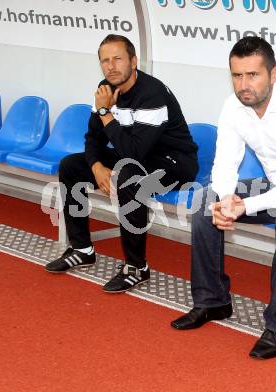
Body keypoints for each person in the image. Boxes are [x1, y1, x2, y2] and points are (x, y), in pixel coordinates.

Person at [170, 37, 276, 359]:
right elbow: (225, 162)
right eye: (237, 75)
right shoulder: (233, 106)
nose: (243, 84)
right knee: (204, 204)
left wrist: (243, 206)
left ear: (274, 74)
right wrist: (224, 201)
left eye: (253, 75)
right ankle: (212, 301)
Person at [45, 34, 198, 293]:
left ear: (134, 61)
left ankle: (137, 267)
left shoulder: (152, 94)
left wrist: (105, 112)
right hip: (136, 158)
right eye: (105, 61)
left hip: (174, 163)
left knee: (129, 176)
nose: (111, 66)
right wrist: (96, 166)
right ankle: (82, 249)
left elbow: (135, 151)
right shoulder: (105, 88)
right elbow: (93, 137)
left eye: (117, 59)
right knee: (71, 165)